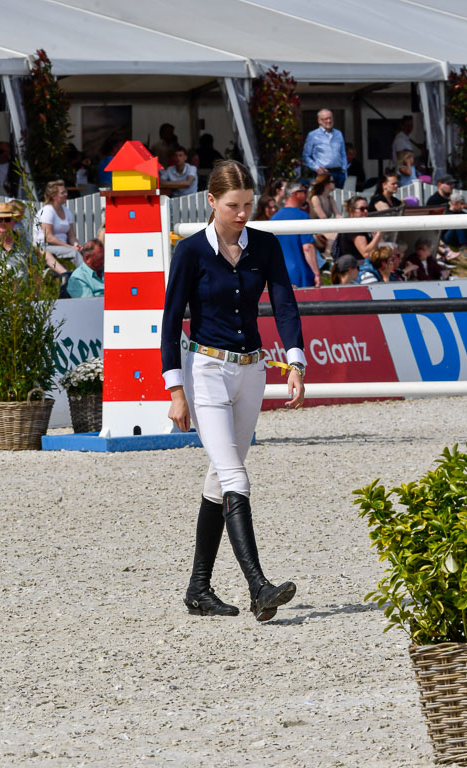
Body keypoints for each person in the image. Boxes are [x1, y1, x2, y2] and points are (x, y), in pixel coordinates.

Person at [161, 160, 305, 622]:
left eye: (248, 205)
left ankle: (198, 588)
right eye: (233, 206)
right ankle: (258, 587)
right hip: (206, 372)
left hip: (253, 372)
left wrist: (296, 363)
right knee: (235, 477)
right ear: (210, 201)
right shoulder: (189, 252)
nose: (242, 214)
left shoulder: (265, 245)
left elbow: (284, 302)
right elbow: (169, 322)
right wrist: (175, 388)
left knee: (218, 479)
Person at [0, 201, 67, 280]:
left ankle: (63, 274)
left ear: (14, 221)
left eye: (7, 219)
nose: (3, 223)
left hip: (21, 289)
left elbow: (35, 273)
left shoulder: (25, 246)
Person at [271, 181, 321, 287]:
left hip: (279, 275)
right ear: (295, 194)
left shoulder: (274, 218)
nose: (306, 194)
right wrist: (316, 274)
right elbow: (308, 248)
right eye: (304, 191)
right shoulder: (302, 216)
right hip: (300, 273)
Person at [35, 180, 83, 266]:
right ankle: (87, 278)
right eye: (62, 193)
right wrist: (70, 247)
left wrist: (76, 244)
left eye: (66, 192)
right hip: (45, 247)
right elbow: (49, 238)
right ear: (54, 196)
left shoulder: (66, 211)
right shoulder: (47, 211)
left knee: (87, 252)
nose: (66, 194)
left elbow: (71, 235)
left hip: (63, 247)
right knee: (74, 253)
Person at [302, 109, 347, 188]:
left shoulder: (338, 133)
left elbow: (343, 153)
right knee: (324, 196)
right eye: (326, 119)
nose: (329, 121)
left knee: (339, 197)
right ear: (319, 121)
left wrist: (344, 170)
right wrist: (317, 168)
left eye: (330, 118)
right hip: (323, 173)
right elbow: (306, 155)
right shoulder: (313, 135)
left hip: (339, 172)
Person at [335, 196, 384, 264]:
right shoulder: (353, 228)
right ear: (351, 211)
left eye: (367, 208)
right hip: (357, 268)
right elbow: (365, 253)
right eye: (362, 209)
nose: (366, 211)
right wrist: (379, 234)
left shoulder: (360, 226)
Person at [308, 173, 342, 256]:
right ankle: (327, 255)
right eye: (333, 181)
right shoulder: (315, 198)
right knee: (335, 235)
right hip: (315, 229)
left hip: (325, 228)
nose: (335, 183)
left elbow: (338, 215)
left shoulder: (330, 198)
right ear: (326, 183)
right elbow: (322, 218)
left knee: (342, 234)